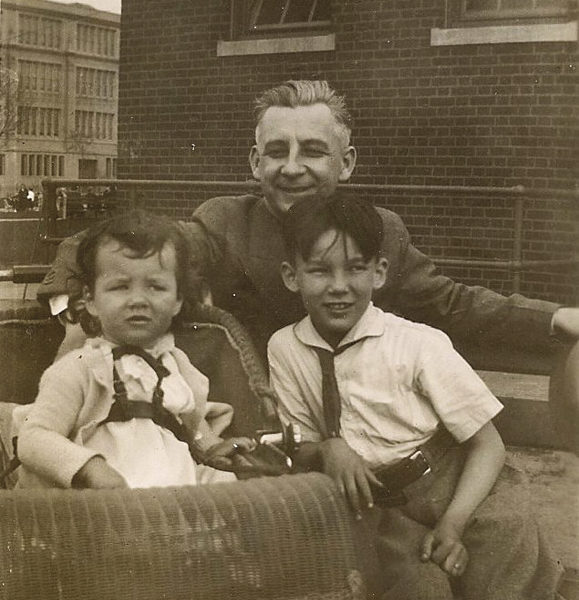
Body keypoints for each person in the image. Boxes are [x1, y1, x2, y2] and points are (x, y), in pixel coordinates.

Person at [37, 80, 578, 399]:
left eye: (313, 152)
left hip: (355, 420)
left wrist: (555, 317)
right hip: (255, 411)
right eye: (277, 152)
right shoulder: (224, 222)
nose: (292, 169)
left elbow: (454, 303)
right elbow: (101, 243)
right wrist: (73, 319)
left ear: (346, 163)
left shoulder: (379, 231)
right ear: (255, 162)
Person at [267, 193, 563, 600]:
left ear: (379, 272)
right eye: (319, 270)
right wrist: (328, 448)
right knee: (417, 587)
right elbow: (298, 448)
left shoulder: (417, 343)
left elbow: (486, 444)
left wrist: (454, 522)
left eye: (356, 269)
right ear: (291, 275)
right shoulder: (284, 348)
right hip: (380, 506)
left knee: (501, 575)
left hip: (461, 483)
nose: (339, 287)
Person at [14, 210, 255, 489]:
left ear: (177, 301)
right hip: (104, 505)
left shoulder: (176, 365)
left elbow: (191, 423)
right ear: (90, 300)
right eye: (120, 287)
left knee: (235, 487)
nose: (138, 300)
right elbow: (34, 437)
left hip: (176, 498)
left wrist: (211, 447)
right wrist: (89, 468)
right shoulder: (79, 367)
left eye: (155, 287)